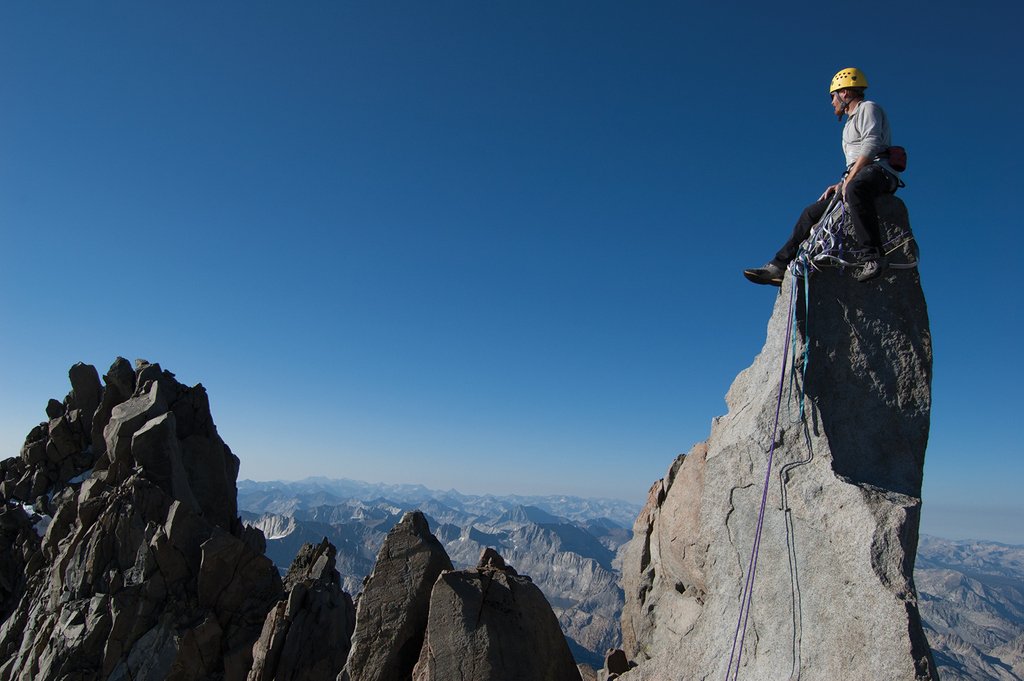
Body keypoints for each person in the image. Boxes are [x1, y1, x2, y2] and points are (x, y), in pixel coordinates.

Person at [744, 67, 901, 285]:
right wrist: (841, 183)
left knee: (856, 189)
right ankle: (778, 266)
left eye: (833, 96)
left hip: (880, 172)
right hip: (860, 174)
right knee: (810, 213)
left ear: (844, 93)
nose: (832, 102)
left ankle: (872, 257)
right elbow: (856, 163)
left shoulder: (868, 108)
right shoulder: (848, 124)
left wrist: (849, 181)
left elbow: (871, 144)